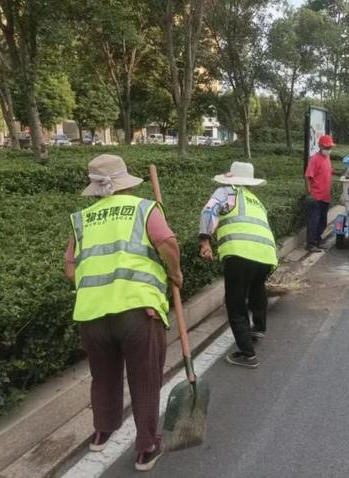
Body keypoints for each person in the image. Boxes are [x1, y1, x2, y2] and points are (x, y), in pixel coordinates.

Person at [63, 154, 182, 472]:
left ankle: (102, 431)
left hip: (92, 314)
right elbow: (168, 243)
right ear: (126, 183)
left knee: (103, 377)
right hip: (137, 311)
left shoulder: (83, 218)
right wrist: (176, 274)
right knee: (144, 380)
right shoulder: (144, 209)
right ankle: (146, 447)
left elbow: (70, 266)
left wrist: (93, 286)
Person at [199, 162, 278, 369]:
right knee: (256, 288)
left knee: (235, 304)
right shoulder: (256, 200)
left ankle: (247, 354)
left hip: (239, 253)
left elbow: (209, 211)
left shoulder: (226, 191)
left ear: (231, 179)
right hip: (266, 255)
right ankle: (259, 327)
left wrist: (205, 240)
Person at [305, 134, 341, 252]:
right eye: (326, 147)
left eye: (330, 147)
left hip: (325, 197)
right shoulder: (314, 159)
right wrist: (310, 192)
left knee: (322, 222)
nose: (328, 150)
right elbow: (307, 176)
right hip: (316, 196)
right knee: (314, 221)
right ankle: (311, 244)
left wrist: (341, 173)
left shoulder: (327, 158)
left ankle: (318, 241)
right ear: (320, 146)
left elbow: (329, 171)